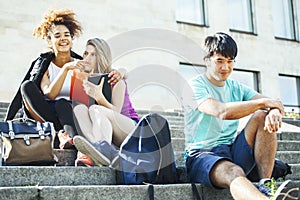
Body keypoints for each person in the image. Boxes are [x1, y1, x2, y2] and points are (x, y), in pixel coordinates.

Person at [184, 32, 292, 199]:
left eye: (230, 61)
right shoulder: (194, 85)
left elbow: (270, 102)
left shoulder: (236, 87)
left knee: (262, 116)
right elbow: (221, 111)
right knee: (234, 171)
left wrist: (274, 110)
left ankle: (265, 184)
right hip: (202, 155)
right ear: (206, 60)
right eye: (219, 61)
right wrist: (266, 104)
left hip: (231, 151)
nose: (225, 67)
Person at [4, 8, 123, 150]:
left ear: (72, 39)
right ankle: (62, 134)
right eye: (57, 35)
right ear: (50, 40)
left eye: (67, 35)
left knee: (62, 104)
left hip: (72, 114)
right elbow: (49, 94)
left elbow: (101, 72)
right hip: (45, 113)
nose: (63, 39)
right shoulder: (45, 65)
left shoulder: (81, 63)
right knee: (27, 86)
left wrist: (121, 71)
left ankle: (70, 138)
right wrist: (66, 68)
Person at [72, 38, 140, 168]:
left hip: (130, 129)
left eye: (93, 54)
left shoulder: (115, 78)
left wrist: (99, 97)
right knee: (79, 110)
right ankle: (103, 151)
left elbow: (116, 113)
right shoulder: (86, 80)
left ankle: (100, 149)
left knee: (95, 109)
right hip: (107, 132)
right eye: (86, 53)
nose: (88, 57)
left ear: (102, 56)